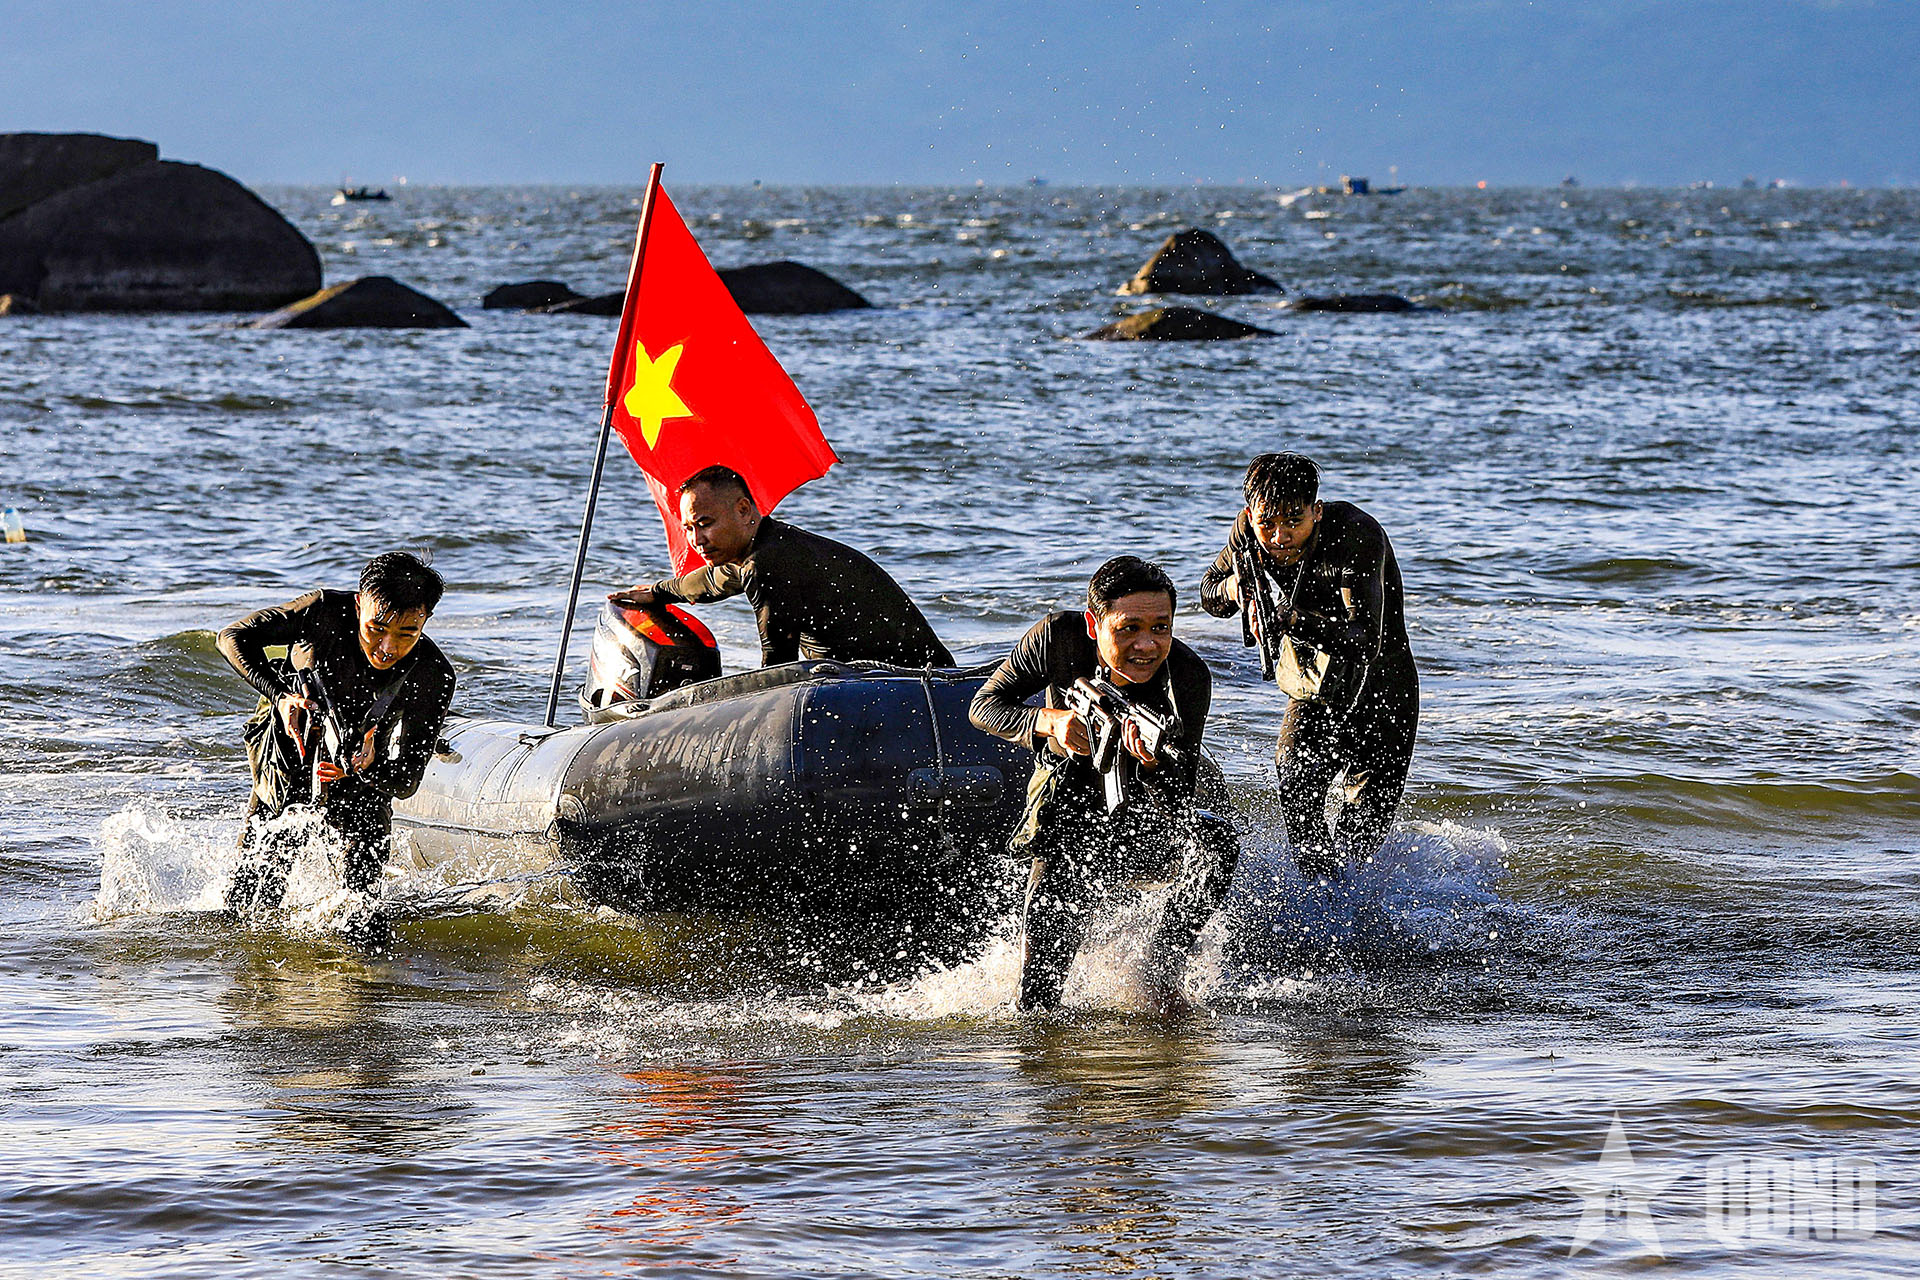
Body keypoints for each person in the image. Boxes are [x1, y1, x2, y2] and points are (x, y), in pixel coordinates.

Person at [970, 556, 1239, 1012]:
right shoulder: (1056, 638)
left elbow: (1179, 789)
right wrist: (1047, 722)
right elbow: (984, 706)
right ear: (1095, 624)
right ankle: (1037, 1013)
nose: (1147, 645)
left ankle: (1160, 977)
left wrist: (1150, 765)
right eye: (1129, 628)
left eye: (1161, 628)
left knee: (1220, 841)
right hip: (1068, 783)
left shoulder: (1189, 678)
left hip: (1147, 798)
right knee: (1038, 987)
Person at [1200, 452, 1419, 880]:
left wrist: (1294, 619)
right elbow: (1209, 593)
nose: (1279, 536)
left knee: (1361, 839)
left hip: (1383, 687)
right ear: (1250, 513)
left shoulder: (1356, 535)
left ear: (1316, 512)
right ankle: (1310, 911)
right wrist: (1237, 588)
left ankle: (1361, 923)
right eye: (1267, 523)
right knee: (1296, 781)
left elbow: (1365, 642)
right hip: (1313, 684)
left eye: (1292, 522)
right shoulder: (1247, 534)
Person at [218, 552, 456, 940]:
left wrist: (369, 766)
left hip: (360, 757)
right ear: (359, 602)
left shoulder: (434, 674)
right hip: (292, 739)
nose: (386, 647)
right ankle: (252, 975)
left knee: (364, 907)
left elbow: (407, 780)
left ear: (425, 619)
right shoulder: (323, 611)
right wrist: (281, 697)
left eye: (406, 634)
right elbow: (231, 638)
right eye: (376, 628)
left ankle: (361, 984)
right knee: (258, 882)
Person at [610, 465, 954, 668]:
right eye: (689, 528)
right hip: (892, 679)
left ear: (744, 511)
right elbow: (712, 582)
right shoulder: (768, 546)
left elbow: (778, 664)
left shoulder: (770, 563)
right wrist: (657, 593)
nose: (696, 540)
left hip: (913, 683)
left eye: (705, 523)